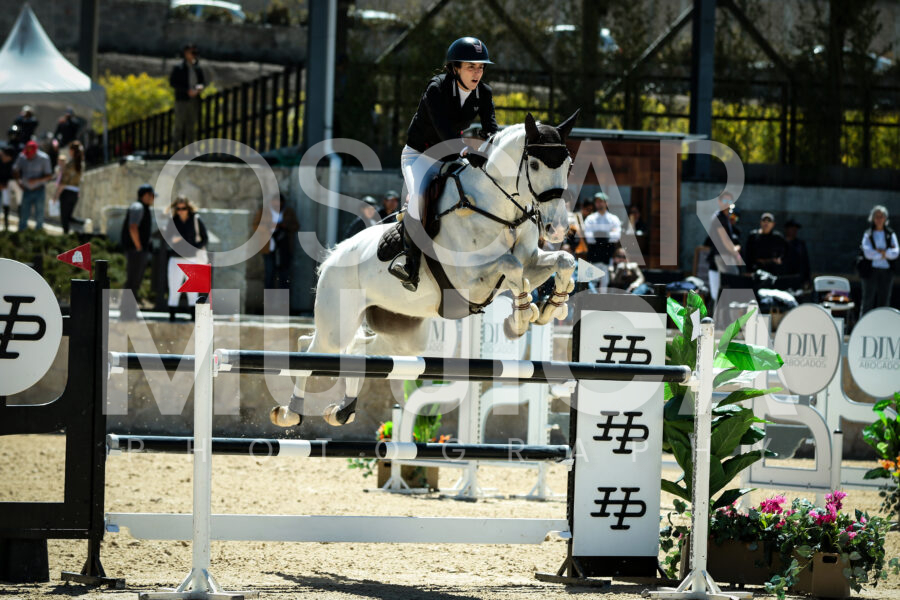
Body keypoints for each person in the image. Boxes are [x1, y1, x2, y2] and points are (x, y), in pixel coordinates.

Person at [389, 36, 499, 292]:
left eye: (480, 67)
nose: (477, 73)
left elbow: (491, 128)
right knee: (418, 198)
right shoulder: (436, 88)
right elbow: (444, 130)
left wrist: (493, 149)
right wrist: (466, 150)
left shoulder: (484, 92)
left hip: (450, 156)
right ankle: (410, 263)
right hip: (419, 156)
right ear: (455, 68)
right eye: (470, 67)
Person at [165, 195, 209, 321]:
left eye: (183, 208)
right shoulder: (173, 221)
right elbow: (167, 238)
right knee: (174, 289)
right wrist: (173, 240)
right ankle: (172, 317)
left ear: (188, 208)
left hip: (191, 259)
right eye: (178, 209)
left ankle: (193, 318)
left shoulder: (195, 219)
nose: (181, 211)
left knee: (193, 291)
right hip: (176, 258)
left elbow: (205, 238)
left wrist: (194, 247)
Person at [120, 184, 157, 320]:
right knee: (132, 282)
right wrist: (139, 246)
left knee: (135, 283)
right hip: (136, 251)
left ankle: (130, 312)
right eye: (152, 195)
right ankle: (127, 313)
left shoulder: (143, 208)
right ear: (145, 195)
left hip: (138, 251)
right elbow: (133, 227)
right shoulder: (138, 207)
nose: (153, 199)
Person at [253, 193, 299, 289]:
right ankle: (269, 297)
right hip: (268, 247)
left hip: (284, 247)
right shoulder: (264, 212)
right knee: (269, 273)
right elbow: (256, 226)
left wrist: (284, 225)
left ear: (283, 203)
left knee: (284, 274)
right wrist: (269, 226)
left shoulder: (288, 212)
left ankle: (283, 297)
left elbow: (296, 226)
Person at [860, 205, 899, 315]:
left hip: (886, 271)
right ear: (873, 218)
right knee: (868, 299)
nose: (879, 219)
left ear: (885, 218)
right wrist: (883, 254)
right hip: (870, 270)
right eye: (876, 217)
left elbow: (895, 252)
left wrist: (880, 252)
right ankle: (864, 322)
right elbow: (867, 253)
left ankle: (882, 322)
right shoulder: (868, 234)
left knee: (884, 300)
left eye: (881, 216)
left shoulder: (890, 234)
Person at [704, 192, 741, 302]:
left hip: (724, 258)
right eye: (724, 201)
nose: (727, 204)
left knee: (726, 290)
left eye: (730, 201)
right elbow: (725, 241)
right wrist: (736, 252)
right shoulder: (719, 218)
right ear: (719, 202)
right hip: (723, 257)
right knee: (731, 285)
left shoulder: (725, 218)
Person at [170, 43, 206, 146]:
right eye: (192, 52)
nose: (194, 54)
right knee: (179, 124)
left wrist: (199, 89)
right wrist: (187, 90)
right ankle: (175, 147)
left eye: (195, 52)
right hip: (182, 99)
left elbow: (202, 82)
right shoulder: (178, 68)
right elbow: (173, 83)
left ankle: (191, 148)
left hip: (194, 100)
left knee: (191, 125)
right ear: (186, 53)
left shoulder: (197, 68)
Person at [13, 140, 54, 231]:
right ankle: (21, 232)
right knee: (24, 213)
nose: (29, 156)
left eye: (30, 153)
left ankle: (38, 233)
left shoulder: (44, 158)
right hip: (26, 189)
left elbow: (49, 176)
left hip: (39, 190)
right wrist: (19, 182)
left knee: (39, 213)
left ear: (35, 151)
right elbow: (15, 169)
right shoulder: (22, 156)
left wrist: (36, 180)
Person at [53, 141, 86, 234]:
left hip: (66, 193)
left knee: (65, 219)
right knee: (69, 217)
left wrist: (56, 195)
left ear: (72, 151)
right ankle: (82, 225)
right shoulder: (81, 164)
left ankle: (69, 235)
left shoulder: (70, 164)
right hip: (75, 193)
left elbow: (63, 183)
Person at [583, 192, 621, 268]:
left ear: (606, 203)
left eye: (601, 201)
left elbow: (617, 237)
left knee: (607, 274)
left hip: (608, 253)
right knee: (593, 275)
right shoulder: (590, 219)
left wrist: (597, 234)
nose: (599, 204)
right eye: (597, 202)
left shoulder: (614, 219)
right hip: (594, 253)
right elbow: (588, 238)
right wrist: (608, 234)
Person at [782, 218, 811, 288]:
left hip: (797, 279)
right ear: (787, 229)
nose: (794, 231)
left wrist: (807, 279)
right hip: (783, 278)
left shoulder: (800, 244)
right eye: (792, 228)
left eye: (795, 229)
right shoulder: (780, 243)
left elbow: (805, 262)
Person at [0, 147, 14, 231]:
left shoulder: (12, 163)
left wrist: (4, 184)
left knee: (6, 204)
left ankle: (6, 225)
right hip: (1, 184)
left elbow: (10, 175)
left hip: (6, 185)